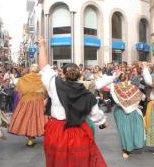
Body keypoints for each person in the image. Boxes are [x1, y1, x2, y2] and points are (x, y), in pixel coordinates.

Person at [38, 37, 108, 167]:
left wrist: (42, 45)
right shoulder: (87, 95)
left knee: (58, 162)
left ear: (63, 74)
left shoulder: (54, 85)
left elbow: (44, 67)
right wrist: (103, 122)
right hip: (78, 132)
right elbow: (96, 115)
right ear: (80, 75)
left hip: (57, 131)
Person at [96, 72, 145, 159]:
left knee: (124, 130)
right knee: (133, 128)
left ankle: (126, 150)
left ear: (119, 78)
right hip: (133, 110)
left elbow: (100, 85)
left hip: (120, 111)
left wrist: (113, 77)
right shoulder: (133, 87)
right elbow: (143, 97)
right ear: (127, 78)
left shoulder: (114, 86)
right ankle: (135, 144)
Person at [9, 64, 47, 147]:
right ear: (38, 70)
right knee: (40, 120)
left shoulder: (24, 78)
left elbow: (17, 88)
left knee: (28, 120)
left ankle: (30, 140)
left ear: (30, 70)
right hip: (39, 101)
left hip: (26, 101)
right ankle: (45, 137)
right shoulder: (42, 77)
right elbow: (46, 89)